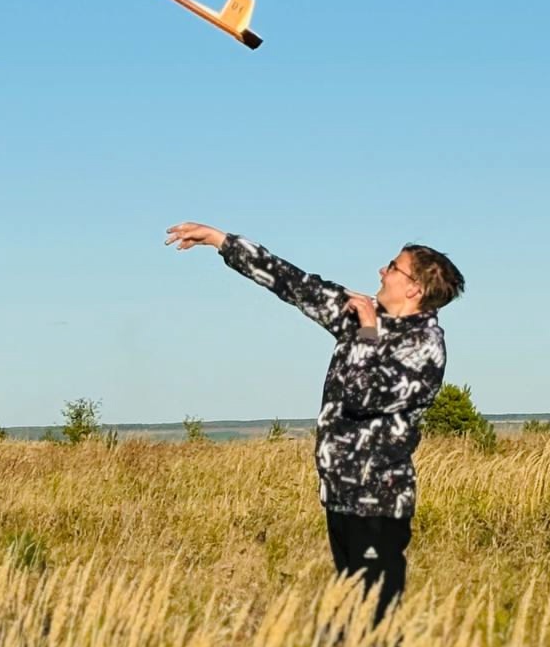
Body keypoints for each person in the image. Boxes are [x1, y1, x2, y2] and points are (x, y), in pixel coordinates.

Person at [165, 224, 464, 620]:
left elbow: (364, 395)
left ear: (414, 288)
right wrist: (221, 241)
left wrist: (368, 332)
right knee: (349, 615)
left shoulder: (424, 346)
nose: (381, 271)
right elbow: (295, 284)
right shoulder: (362, 316)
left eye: (393, 267)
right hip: (340, 495)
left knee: (374, 615)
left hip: (378, 505)